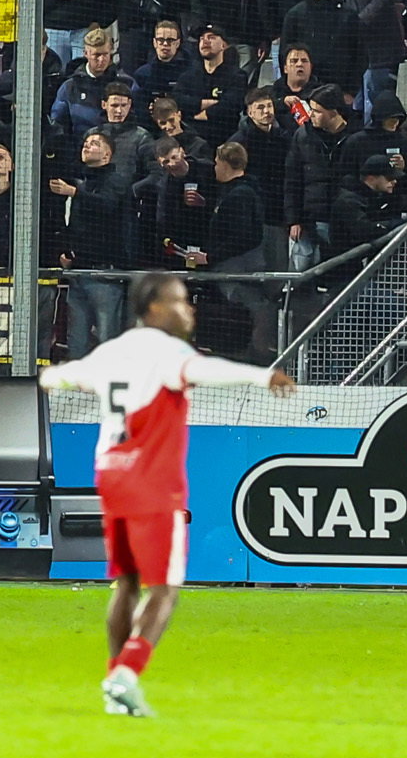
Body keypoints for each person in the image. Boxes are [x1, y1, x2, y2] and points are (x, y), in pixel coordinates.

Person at [36, 270, 297, 716]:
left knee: (128, 583)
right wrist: (262, 377)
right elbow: (202, 369)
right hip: (152, 480)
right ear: (154, 307)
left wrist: (53, 376)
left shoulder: (113, 350)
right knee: (166, 589)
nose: (189, 308)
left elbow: (58, 379)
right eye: (180, 300)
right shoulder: (169, 352)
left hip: (111, 474)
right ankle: (127, 673)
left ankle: (115, 683)